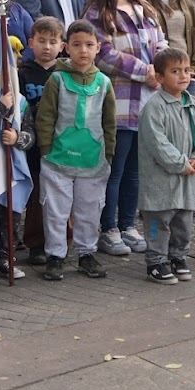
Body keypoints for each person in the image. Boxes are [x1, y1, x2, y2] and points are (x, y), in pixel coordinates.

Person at [84, 0, 164, 256]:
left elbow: (160, 43)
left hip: (147, 102)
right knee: (114, 170)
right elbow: (102, 53)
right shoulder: (96, 13)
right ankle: (109, 228)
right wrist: (144, 70)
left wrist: (161, 67)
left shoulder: (144, 9)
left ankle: (128, 224)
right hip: (118, 104)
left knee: (136, 171)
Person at [36, 19, 117, 280]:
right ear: (66, 48)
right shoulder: (56, 80)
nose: (83, 50)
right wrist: (46, 149)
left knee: (89, 210)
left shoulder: (104, 83)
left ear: (98, 48)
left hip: (92, 160)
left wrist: (109, 155)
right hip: (57, 159)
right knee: (56, 211)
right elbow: (45, 117)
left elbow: (109, 122)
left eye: (89, 45)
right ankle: (56, 255)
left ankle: (86, 254)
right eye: (77, 45)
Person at [137, 47, 195, 284]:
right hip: (161, 178)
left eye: (186, 70)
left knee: (183, 222)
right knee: (159, 221)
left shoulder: (194, 105)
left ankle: (178, 256)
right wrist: (180, 163)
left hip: (186, 179)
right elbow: (158, 142)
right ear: (159, 77)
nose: (183, 76)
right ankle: (156, 261)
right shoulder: (153, 107)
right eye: (175, 71)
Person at [0, 43, 36, 284]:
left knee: (11, 221)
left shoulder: (21, 102)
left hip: (12, 172)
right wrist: (0, 107)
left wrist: (18, 138)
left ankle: (6, 258)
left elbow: (31, 133)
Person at [19, 16, 64, 267]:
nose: (47, 47)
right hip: (33, 143)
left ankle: (61, 242)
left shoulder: (65, 73)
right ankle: (36, 243)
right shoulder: (23, 73)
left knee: (61, 194)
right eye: (41, 41)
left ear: (62, 45)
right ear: (31, 42)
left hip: (62, 142)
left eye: (53, 42)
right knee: (36, 195)